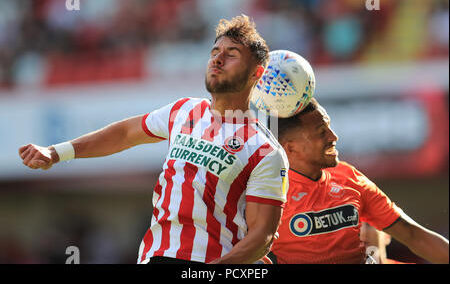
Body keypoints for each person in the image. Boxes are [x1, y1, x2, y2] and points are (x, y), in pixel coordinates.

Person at [18, 15, 289, 264]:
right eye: (215, 52)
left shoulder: (265, 150)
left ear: (257, 73)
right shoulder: (183, 111)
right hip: (154, 256)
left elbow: (261, 237)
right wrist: (56, 152)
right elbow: (124, 133)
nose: (217, 59)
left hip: (207, 263)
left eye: (231, 54)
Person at [269, 98, 449, 264]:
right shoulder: (267, 192)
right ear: (291, 148)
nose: (333, 137)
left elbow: (412, 234)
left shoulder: (349, 177)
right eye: (321, 132)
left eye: (329, 127)